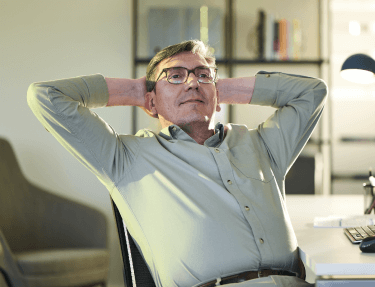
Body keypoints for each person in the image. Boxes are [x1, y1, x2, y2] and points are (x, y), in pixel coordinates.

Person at [27, 39, 328, 287]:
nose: (192, 83)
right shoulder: (125, 157)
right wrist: (136, 91)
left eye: (202, 75)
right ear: (151, 101)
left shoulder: (261, 144)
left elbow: (313, 92)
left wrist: (217, 87)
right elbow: (45, 96)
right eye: (174, 76)